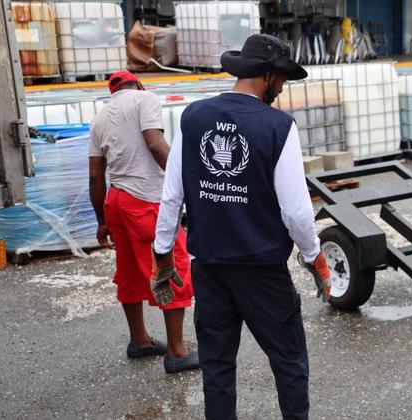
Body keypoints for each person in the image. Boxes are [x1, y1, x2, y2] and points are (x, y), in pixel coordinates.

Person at [152, 34, 331, 420]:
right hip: (262, 271)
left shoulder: (193, 117)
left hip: (209, 269)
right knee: (289, 363)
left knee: (217, 367)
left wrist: (162, 256)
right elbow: (297, 212)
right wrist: (316, 259)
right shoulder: (278, 126)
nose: (282, 89)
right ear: (266, 75)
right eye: (281, 79)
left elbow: (172, 195)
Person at [88, 70, 199, 373]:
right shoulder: (145, 98)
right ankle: (177, 351)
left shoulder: (99, 119)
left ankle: (140, 341)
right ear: (137, 83)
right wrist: (186, 185)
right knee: (171, 265)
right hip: (146, 201)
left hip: (117, 202)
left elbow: (96, 175)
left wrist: (101, 221)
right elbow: (155, 144)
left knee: (130, 271)